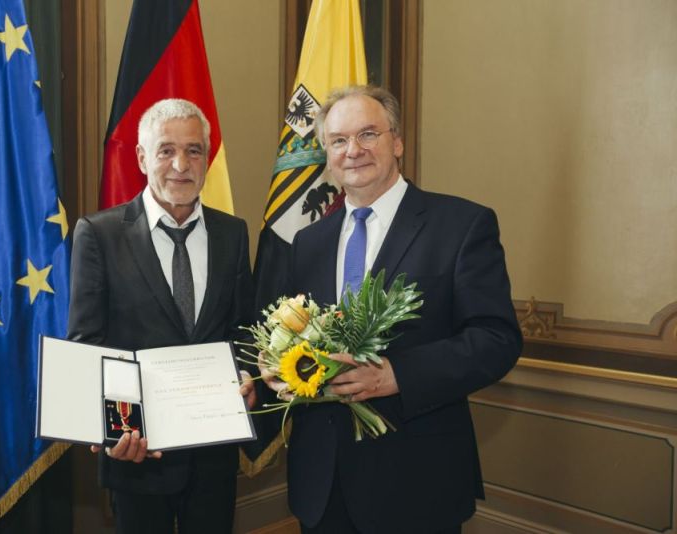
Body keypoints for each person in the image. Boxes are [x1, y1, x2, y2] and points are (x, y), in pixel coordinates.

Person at [260, 85, 522, 533]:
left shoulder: (461, 225)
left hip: (417, 480)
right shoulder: (308, 243)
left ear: (397, 141)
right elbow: (294, 333)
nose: (353, 151)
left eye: (368, 134)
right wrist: (276, 368)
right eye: (338, 141)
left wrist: (396, 374)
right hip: (322, 482)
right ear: (326, 153)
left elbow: (496, 340)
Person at [68, 98, 256, 534]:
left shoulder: (232, 232)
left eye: (194, 151)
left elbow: (242, 328)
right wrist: (119, 429)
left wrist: (247, 375)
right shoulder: (98, 234)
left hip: (214, 451)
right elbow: (88, 343)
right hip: (139, 454)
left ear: (207, 159)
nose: (180, 164)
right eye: (166, 150)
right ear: (141, 157)